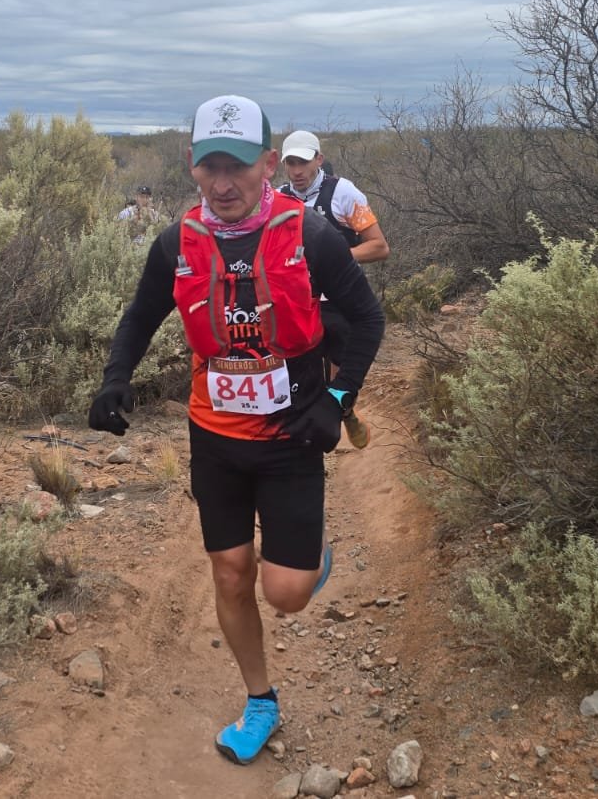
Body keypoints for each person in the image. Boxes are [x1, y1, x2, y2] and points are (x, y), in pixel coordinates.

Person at [88, 95, 384, 766]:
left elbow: (368, 320)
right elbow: (140, 316)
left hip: (292, 434)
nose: (224, 183)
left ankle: (308, 559)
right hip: (214, 437)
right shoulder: (177, 242)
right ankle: (260, 701)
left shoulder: (312, 235)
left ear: (268, 164)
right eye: (211, 166)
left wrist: (337, 398)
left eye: (239, 167)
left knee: (286, 593)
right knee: (229, 572)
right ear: (192, 165)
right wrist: (114, 378)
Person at [278, 130, 389, 450]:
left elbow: (379, 246)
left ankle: (346, 411)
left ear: (319, 160)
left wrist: (334, 259)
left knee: (339, 381)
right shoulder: (277, 198)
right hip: (298, 302)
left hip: (339, 300)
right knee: (298, 380)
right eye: (291, 163)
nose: (297, 170)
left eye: (303, 162)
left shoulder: (344, 193)